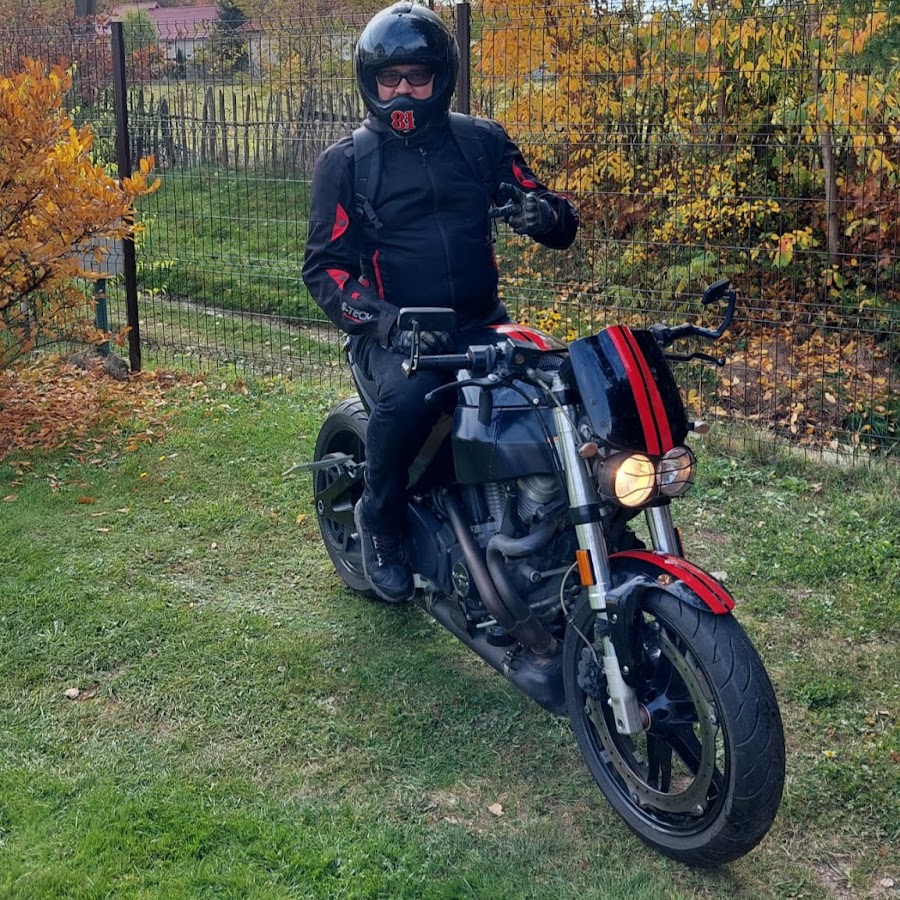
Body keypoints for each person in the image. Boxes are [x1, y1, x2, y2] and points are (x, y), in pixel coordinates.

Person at [302, 2, 578, 604]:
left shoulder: (481, 142)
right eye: (390, 78)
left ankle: (563, 518)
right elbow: (325, 270)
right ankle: (379, 518)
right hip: (395, 336)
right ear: (371, 82)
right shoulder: (346, 163)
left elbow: (554, 214)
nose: (403, 90)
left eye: (417, 76)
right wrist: (385, 322)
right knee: (408, 400)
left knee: (563, 386)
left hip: (484, 323)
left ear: (441, 78)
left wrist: (544, 215)